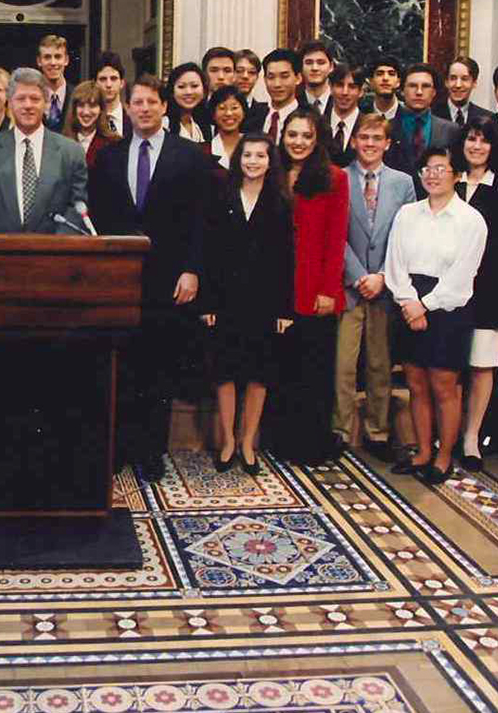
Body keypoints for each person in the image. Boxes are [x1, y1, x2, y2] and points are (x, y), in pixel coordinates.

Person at [90, 75, 212, 481]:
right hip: (119, 279)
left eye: (151, 102)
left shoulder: (189, 156)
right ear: (126, 108)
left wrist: (193, 269)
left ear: (164, 107)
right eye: (136, 102)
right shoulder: (109, 156)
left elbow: (200, 220)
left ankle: (150, 451)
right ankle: (119, 448)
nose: (144, 109)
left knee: (158, 365)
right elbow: (100, 218)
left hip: (168, 277)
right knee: (121, 363)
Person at [386, 144, 487, 485]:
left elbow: (462, 275)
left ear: (456, 174)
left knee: (444, 385)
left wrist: (425, 305)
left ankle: (444, 456)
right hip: (408, 300)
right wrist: (408, 301)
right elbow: (395, 263)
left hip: (448, 307)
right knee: (415, 382)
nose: (433, 175)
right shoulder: (407, 214)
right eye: (427, 168)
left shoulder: (470, 220)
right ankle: (423, 451)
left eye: (441, 168)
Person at [200, 134, 293, 474]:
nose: (253, 161)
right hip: (224, 300)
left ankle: (248, 442)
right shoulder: (221, 196)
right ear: (238, 159)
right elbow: (208, 252)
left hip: (265, 303)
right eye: (248, 155)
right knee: (225, 372)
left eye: (261, 156)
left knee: (258, 374)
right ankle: (227, 441)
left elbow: (287, 259)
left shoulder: (281, 201)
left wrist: (285, 309)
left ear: (271, 162)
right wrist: (207, 302)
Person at [333, 114, 416, 462]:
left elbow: (408, 233)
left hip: (385, 285)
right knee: (344, 362)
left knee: (380, 362)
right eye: (363, 137)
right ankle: (339, 429)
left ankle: (377, 431)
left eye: (376, 138)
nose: (369, 143)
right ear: (353, 141)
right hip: (349, 285)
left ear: (387, 143)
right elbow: (333, 233)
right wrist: (357, 274)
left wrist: (382, 275)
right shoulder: (339, 178)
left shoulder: (404, 183)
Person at [268, 110, 349, 466]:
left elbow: (336, 239)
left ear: (317, 140)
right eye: (292, 134)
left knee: (313, 371)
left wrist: (328, 290)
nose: (298, 142)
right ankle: (281, 440)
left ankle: (311, 443)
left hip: (315, 287)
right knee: (281, 367)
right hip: (276, 286)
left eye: (306, 135)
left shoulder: (334, 177)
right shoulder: (272, 173)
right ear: (282, 136)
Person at [454, 116, 498, 471]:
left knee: (482, 366)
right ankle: (448, 432)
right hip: (448, 293)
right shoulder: (450, 181)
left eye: (484, 140)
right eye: (471, 139)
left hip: (489, 292)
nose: (476, 146)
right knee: (450, 366)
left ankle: (471, 437)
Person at [0, 68, 89, 234]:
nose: (28, 105)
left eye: (35, 99)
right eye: (21, 99)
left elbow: (77, 208)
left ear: (46, 103)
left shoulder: (71, 152)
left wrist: (53, 250)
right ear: (10, 102)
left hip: (52, 255)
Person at [393, 63, 461, 173]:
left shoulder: (450, 130)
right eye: (412, 86)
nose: (419, 92)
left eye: (425, 86)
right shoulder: (387, 128)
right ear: (402, 90)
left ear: (434, 92)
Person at [61, 79, 119, 169]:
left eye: (92, 106)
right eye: (81, 105)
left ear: (101, 109)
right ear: (74, 108)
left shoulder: (113, 143)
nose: (86, 112)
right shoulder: (61, 143)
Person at [249, 48, 302, 141]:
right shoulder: (252, 116)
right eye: (271, 77)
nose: (277, 84)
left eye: (284, 76)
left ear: (298, 78)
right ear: (265, 79)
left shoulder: (311, 119)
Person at [325, 63, 363, 167]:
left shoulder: (368, 126)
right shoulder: (318, 123)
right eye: (339, 85)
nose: (345, 92)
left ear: (361, 91)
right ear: (331, 88)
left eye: (352, 86)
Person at [165, 62, 212, 143]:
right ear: (172, 92)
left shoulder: (203, 125)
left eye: (194, 86)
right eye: (181, 87)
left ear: (204, 91)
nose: (188, 92)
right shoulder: (164, 124)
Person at [440, 57, 493, 128]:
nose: (458, 85)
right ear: (446, 82)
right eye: (453, 78)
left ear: (474, 83)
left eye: (465, 79)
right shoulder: (432, 115)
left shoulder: (488, 119)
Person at [207, 86, 247, 171]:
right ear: (213, 114)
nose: (228, 113)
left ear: (244, 112)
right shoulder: (204, 151)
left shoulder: (254, 145)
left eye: (234, 108)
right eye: (222, 108)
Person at [37, 34, 71, 130]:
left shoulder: (77, 95)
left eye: (58, 57)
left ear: (66, 60)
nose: (53, 62)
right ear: (39, 61)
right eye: (47, 57)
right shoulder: (32, 96)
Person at [296, 39, 335, 117]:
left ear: (331, 67)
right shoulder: (293, 104)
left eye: (321, 62)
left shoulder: (342, 102)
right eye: (308, 63)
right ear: (300, 67)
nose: (314, 68)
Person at [96, 52, 129, 138]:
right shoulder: (90, 120)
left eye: (113, 78)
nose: (108, 84)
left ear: (122, 83)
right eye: (103, 79)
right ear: (96, 83)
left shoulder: (133, 120)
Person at [364, 55, 403, 121]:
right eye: (379, 74)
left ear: (398, 82)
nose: (385, 78)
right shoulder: (361, 116)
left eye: (391, 74)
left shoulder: (409, 116)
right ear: (371, 81)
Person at [235, 50, 268, 124]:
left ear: (257, 77)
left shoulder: (265, 113)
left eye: (252, 72)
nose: (245, 76)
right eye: (239, 71)